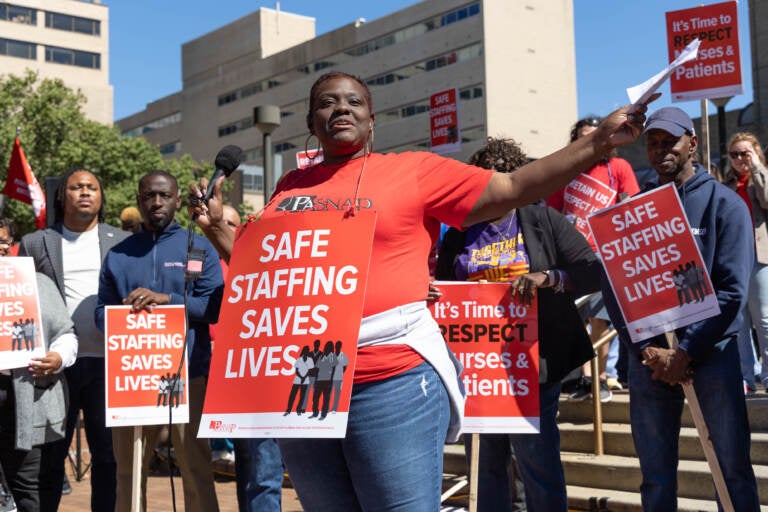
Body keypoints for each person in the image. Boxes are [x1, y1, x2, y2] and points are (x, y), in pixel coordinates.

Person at [189, 71, 649, 510]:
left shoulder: (412, 171)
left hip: (391, 381)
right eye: (326, 103)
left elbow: (512, 186)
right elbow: (267, 275)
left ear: (372, 120)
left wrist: (597, 142)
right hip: (306, 383)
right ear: (311, 123)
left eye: (354, 102)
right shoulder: (288, 188)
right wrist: (217, 232)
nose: (341, 109)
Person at [602, 107, 760, 510]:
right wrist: (646, 351)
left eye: (669, 141)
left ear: (692, 142)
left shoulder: (725, 205)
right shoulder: (634, 210)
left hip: (711, 355)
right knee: (655, 480)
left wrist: (686, 351)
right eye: (652, 143)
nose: (659, 151)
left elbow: (732, 291)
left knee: (732, 470)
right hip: (651, 359)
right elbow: (617, 287)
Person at [435, 136, 599, 511]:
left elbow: (592, 272)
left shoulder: (543, 221)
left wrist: (549, 278)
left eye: (498, 180)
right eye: (481, 182)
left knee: (535, 457)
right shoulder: (460, 232)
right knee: (485, 461)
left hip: (534, 362)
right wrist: (434, 294)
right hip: (477, 366)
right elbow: (444, 287)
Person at [95, 170, 224, 512]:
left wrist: (167, 300)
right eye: (149, 196)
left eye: (164, 196)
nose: (156, 202)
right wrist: (122, 316)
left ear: (178, 201)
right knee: (129, 472)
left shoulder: (199, 248)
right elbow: (99, 314)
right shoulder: (118, 255)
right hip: (131, 378)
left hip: (187, 376)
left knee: (196, 469)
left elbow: (214, 308)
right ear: (139, 201)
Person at [18, 167, 128, 512]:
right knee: (51, 457)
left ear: (100, 197)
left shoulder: (123, 242)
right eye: (76, 187)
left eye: (92, 187)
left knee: (108, 458)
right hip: (55, 369)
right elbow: (22, 300)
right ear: (61, 196)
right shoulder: (36, 242)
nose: (84, 192)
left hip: (108, 366)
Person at [193, 203, 284, 512]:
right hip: (216, 368)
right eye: (222, 224)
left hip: (256, 372)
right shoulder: (202, 263)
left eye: (233, 225)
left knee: (259, 461)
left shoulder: (264, 263)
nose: (228, 230)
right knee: (238, 457)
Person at [547, 116, 641, 401]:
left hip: (605, 255)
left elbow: (631, 203)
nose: (588, 141)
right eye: (581, 137)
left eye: (593, 135)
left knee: (601, 319)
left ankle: (601, 377)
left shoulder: (618, 167)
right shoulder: (564, 171)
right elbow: (552, 212)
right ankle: (586, 380)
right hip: (570, 256)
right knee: (577, 320)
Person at [0, 217, 78, 512]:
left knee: (28, 489)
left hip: (26, 398)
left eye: (3, 242)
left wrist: (57, 357)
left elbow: (66, 335)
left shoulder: (38, 283)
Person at [723, 132, 768, 394]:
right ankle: (746, 377)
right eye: (735, 154)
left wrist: (758, 168)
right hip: (735, 259)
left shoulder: (761, 176)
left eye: (745, 153)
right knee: (739, 322)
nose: (740, 159)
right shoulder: (726, 184)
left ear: (756, 153)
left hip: (760, 256)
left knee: (764, 320)